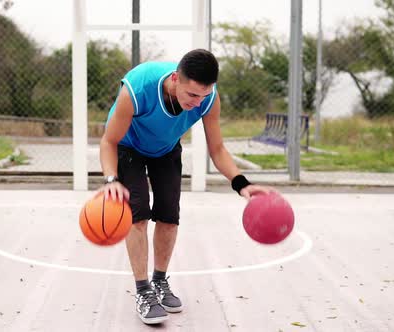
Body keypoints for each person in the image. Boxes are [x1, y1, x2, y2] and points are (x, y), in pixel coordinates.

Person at [98, 49, 274, 325]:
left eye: (204, 96)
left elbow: (217, 149)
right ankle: (143, 290)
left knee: (169, 216)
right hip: (128, 146)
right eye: (192, 95)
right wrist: (111, 179)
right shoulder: (138, 87)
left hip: (166, 149)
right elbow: (108, 141)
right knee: (138, 215)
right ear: (175, 78)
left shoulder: (208, 100)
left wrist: (242, 184)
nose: (197, 102)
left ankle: (159, 282)